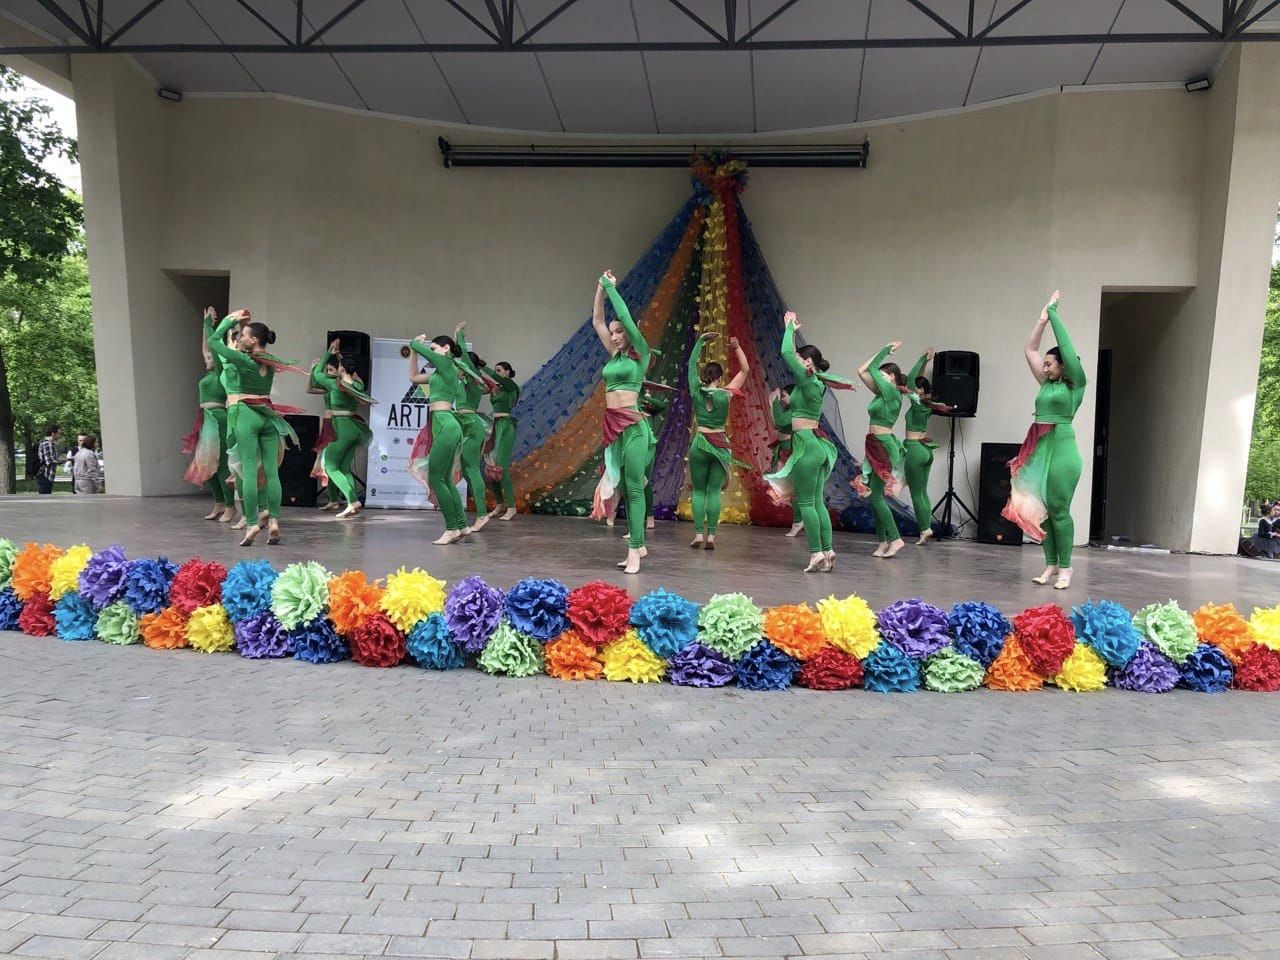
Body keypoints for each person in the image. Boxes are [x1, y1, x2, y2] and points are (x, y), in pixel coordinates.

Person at [1003, 291, 1086, 590]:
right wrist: (1040, 320)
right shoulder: (1047, 384)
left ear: (1064, 366)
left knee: (1059, 510)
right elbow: (1030, 349)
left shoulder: (1075, 385)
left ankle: (1066, 567)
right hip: (1040, 447)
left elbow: (1067, 348)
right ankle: (1051, 563)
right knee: (1042, 509)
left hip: (1062, 448)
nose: (1045, 367)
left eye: (1050, 364)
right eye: (1045, 364)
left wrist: (1054, 314)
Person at [764, 312, 854, 572]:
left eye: (800, 358)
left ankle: (816, 553)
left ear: (808, 362)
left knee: (805, 504)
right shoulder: (816, 383)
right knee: (816, 502)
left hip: (806, 445)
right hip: (816, 445)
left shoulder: (806, 378)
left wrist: (789, 329)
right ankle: (827, 549)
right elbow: (791, 356)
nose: (796, 361)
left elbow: (785, 353)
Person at [208, 309, 304, 547]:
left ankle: (252, 523)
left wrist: (230, 320)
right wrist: (242, 327)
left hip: (247, 414)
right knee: (271, 472)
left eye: (243, 335)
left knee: (249, 472)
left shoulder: (243, 360)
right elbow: (246, 347)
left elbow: (213, 341)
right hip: (267, 415)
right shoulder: (269, 361)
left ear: (253, 340)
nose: (240, 338)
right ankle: (274, 520)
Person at [589, 269, 653, 575]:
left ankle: (635, 550)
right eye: (613, 333)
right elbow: (597, 321)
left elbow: (625, 317)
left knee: (634, 488)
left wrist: (613, 289)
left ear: (629, 332)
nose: (614, 336)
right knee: (626, 488)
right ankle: (638, 545)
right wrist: (600, 289)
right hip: (613, 427)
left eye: (619, 332)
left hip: (635, 427)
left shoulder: (641, 353)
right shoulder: (614, 356)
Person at [687, 331, 749, 550]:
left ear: (704, 376)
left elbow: (690, 364)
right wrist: (737, 347)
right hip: (720, 444)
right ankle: (711, 537)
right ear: (720, 378)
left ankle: (698, 534)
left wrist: (701, 341)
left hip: (700, 443)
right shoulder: (726, 393)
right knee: (714, 492)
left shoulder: (696, 390)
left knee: (698, 491)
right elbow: (745, 370)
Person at [407, 332, 469, 545]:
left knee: (436, 479)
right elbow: (414, 377)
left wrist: (416, 343)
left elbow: (420, 348)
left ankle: (451, 529)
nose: (432, 352)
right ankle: (461, 525)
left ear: (446, 349)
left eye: (434, 348)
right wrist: (413, 352)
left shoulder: (447, 364)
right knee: (445, 480)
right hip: (443, 424)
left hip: (445, 423)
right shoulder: (439, 373)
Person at [308, 338, 375, 520]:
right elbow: (350, 372)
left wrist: (328, 353)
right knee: (344, 467)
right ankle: (351, 502)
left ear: (341, 369)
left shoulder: (334, 384)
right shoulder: (358, 385)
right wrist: (340, 357)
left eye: (338, 366)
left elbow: (318, 374)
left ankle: (352, 501)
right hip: (355, 428)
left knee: (330, 466)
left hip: (342, 428)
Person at [855, 341, 907, 558]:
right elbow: (862, 371)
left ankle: (895, 539)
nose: (879, 377)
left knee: (876, 497)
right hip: (874, 443)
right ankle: (883, 542)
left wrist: (886, 349)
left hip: (883, 445)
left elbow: (872, 369)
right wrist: (881, 350)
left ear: (893, 377)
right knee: (874, 497)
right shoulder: (882, 394)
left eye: (885, 375)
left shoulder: (892, 392)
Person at [183, 308, 236, 521]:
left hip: (218, 418)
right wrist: (204, 326)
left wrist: (209, 325)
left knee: (220, 463)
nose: (206, 357)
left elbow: (212, 348)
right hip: (206, 419)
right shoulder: (210, 373)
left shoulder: (222, 373)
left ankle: (231, 506)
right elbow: (206, 348)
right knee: (206, 465)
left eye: (210, 356)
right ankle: (219, 503)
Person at [902, 350, 956, 546]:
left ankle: (924, 529)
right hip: (925, 450)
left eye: (915, 389)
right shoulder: (927, 404)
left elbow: (910, 379)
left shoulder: (917, 404)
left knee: (916, 494)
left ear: (919, 391)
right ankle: (926, 528)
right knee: (922, 493)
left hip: (915, 449)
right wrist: (925, 364)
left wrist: (923, 358)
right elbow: (916, 381)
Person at [454, 325, 498, 532]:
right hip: (465, 424)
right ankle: (477, 514)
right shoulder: (467, 379)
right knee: (468, 470)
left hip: (471, 424)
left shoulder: (472, 379)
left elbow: (461, 354)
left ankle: (481, 515)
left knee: (472, 470)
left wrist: (460, 337)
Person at [482, 359, 521, 521]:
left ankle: (511, 507)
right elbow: (481, 386)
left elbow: (493, 378)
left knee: (501, 467)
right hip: (495, 425)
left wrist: (483, 366)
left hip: (506, 426)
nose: (496, 373)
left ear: (507, 372)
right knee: (491, 467)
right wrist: (472, 369)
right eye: (495, 370)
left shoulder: (511, 386)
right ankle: (499, 504)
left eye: (499, 370)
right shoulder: (496, 387)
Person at [769, 385, 804, 538]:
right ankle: (798, 521)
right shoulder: (789, 410)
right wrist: (772, 405)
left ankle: (798, 521)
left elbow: (781, 421)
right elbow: (776, 424)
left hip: (790, 450)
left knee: (794, 489)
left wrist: (774, 402)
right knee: (788, 489)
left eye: (784, 396)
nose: (782, 399)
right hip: (784, 449)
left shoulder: (796, 410)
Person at [35, 423, 59, 495]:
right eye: (58, 433)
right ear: (53, 434)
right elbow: (49, 461)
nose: (59, 435)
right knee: (44, 498)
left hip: (46, 476)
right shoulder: (48, 444)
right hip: (45, 475)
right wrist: (65, 460)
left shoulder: (48, 443)